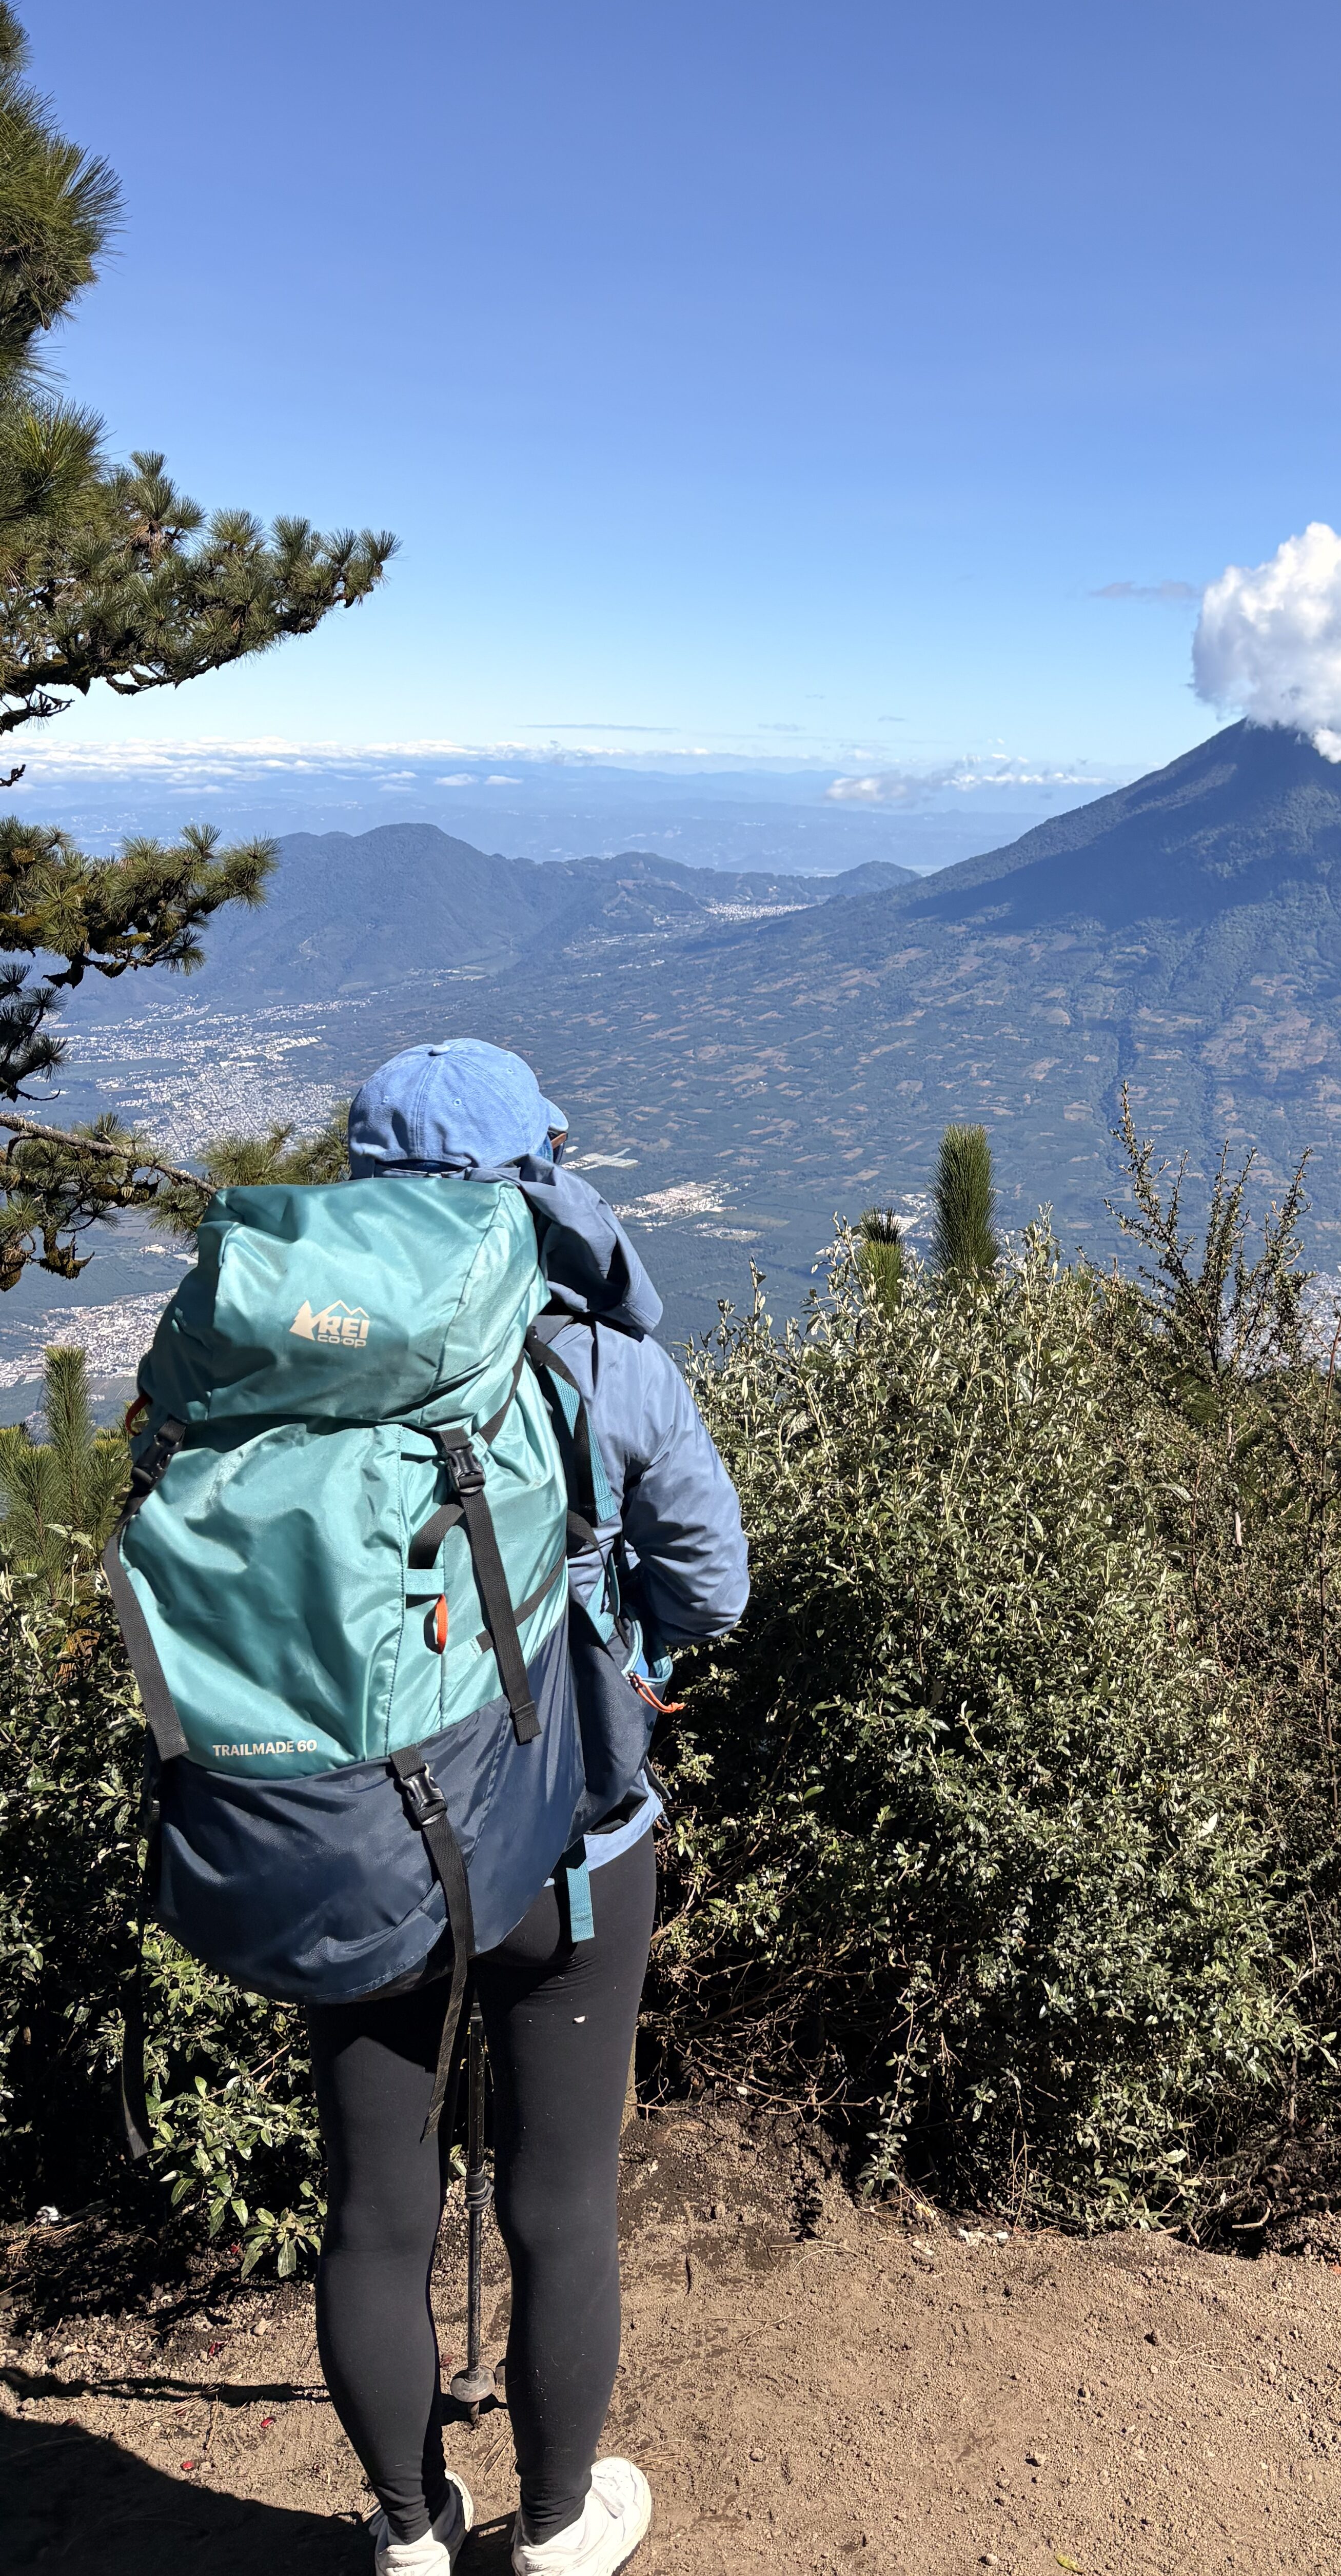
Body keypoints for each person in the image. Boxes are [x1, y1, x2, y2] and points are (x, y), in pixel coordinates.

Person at [313, 1039, 748, 2576]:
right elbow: (713, 1582)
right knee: (558, 2202)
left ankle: (407, 2531)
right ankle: (558, 2533)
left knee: (375, 2212)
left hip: (353, 1854)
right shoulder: (605, 1363)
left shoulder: (290, 1361)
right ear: (533, 1182)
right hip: (570, 1852)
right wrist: (618, 1642)